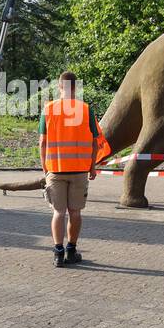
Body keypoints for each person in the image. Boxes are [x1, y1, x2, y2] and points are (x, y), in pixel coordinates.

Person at [40, 71, 100, 267]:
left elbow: (42, 142)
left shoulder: (48, 109)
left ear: (59, 87)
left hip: (55, 170)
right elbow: (94, 142)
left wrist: (45, 169)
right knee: (75, 213)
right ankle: (71, 250)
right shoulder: (85, 109)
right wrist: (92, 167)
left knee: (58, 212)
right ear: (76, 88)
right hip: (79, 170)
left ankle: (58, 253)